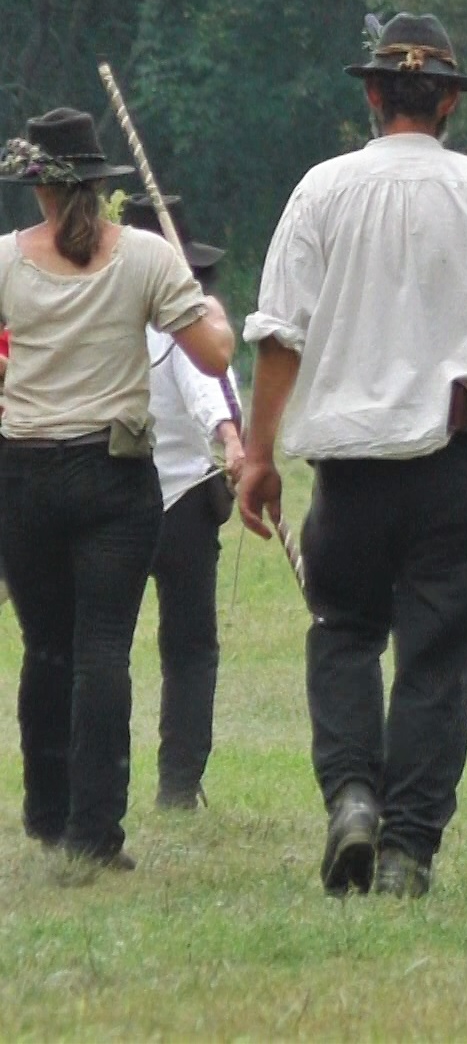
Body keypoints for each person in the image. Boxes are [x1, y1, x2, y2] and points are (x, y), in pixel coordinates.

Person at [239, 13, 467, 898]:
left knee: (341, 633)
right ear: (450, 100)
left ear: (375, 95)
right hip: (456, 461)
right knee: (434, 657)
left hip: (346, 469)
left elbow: (277, 339)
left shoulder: (319, 191)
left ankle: (352, 794)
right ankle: (407, 850)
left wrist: (258, 456)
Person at [0, 108, 234, 875]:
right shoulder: (145, 257)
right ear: (103, 185)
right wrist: (216, 313)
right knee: (104, 650)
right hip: (113, 475)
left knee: (46, 647)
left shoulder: (4, 260)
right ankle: (94, 831)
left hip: (24, 474)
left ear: (39, 188)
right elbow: (211, 355)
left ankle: (45, 808)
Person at [124, 195, 244, 810]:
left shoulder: (111, 317)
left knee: (101, 647)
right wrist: (229, 436)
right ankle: (177, 784)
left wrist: (226, 433)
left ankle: (109, 782)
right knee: (191, 649)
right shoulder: (189, 323)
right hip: (179, 509)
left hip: (121, 499)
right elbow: (212, 396)